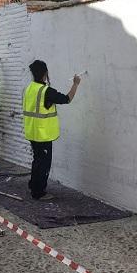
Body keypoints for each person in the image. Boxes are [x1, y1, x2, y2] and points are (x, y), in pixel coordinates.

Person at [23, 60, 81, 200]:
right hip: (43, 134)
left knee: (37, 160)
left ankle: (33, 185)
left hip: (32, 131)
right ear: (45, 73)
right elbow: (67, 99)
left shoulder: (30, 88)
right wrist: (75, 84)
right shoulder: (46, 91)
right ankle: (38, 192)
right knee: (43, 164)